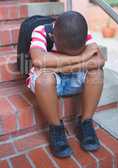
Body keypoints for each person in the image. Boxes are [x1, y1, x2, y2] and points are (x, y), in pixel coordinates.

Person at [26, 11, 105, 158]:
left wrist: (54, 63)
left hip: (74, 79)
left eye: (76, 53)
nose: (71, 55)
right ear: (53, 37)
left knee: (97, 72)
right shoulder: (42, 31)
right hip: (49, 84)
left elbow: (100, 61)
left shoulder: (80, 31)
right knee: (44, 79)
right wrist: (83, 57)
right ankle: (56, 128)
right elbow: (37, 60)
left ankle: (85, 123)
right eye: (65, 52)